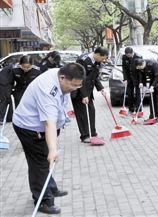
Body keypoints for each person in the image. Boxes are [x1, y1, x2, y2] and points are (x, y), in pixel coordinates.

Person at [12, 63, 86, 214]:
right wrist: (53, 150)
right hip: (30, 128)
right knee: (39, 163)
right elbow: (48, 122)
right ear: (62, 78)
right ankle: (43, 200)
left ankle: (50, 187)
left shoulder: (59, 75)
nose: (74, 89)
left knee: (45, 159)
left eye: (78, 86)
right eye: (73, 85)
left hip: (43, 128)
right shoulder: (47, 89)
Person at [71, 47, 108, 143]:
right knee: (82, 114)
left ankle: (93, 133)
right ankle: (85, 136)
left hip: (88, 92)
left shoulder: (97, 62)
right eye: (102, 58)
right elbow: (79, 79)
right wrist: (83, 95)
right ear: (97, 54)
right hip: (78, 91)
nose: (103, 60)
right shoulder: (82, 60)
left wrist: (101, 89)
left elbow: (95, 78)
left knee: (91, 111)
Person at [122, 47, 143, 114]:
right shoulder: (124, 57)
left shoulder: (138, 57)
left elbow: (140, 71)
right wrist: (125, 78)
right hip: (129, 78)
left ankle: (138, 109)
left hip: (136, 78)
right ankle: (131, 109)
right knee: (129, 94)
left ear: (132, 53)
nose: (128, 57)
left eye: (129, 55)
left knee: (138, 95)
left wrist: (140, 81)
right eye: (127, 55)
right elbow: (124, 68)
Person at [0, 58, 16, 123]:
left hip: (5, 84)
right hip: (3, 84)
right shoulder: (12, 67)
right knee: (4, 100)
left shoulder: (8, 68)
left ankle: (9, 117)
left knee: (8, 100)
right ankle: (1, 118)